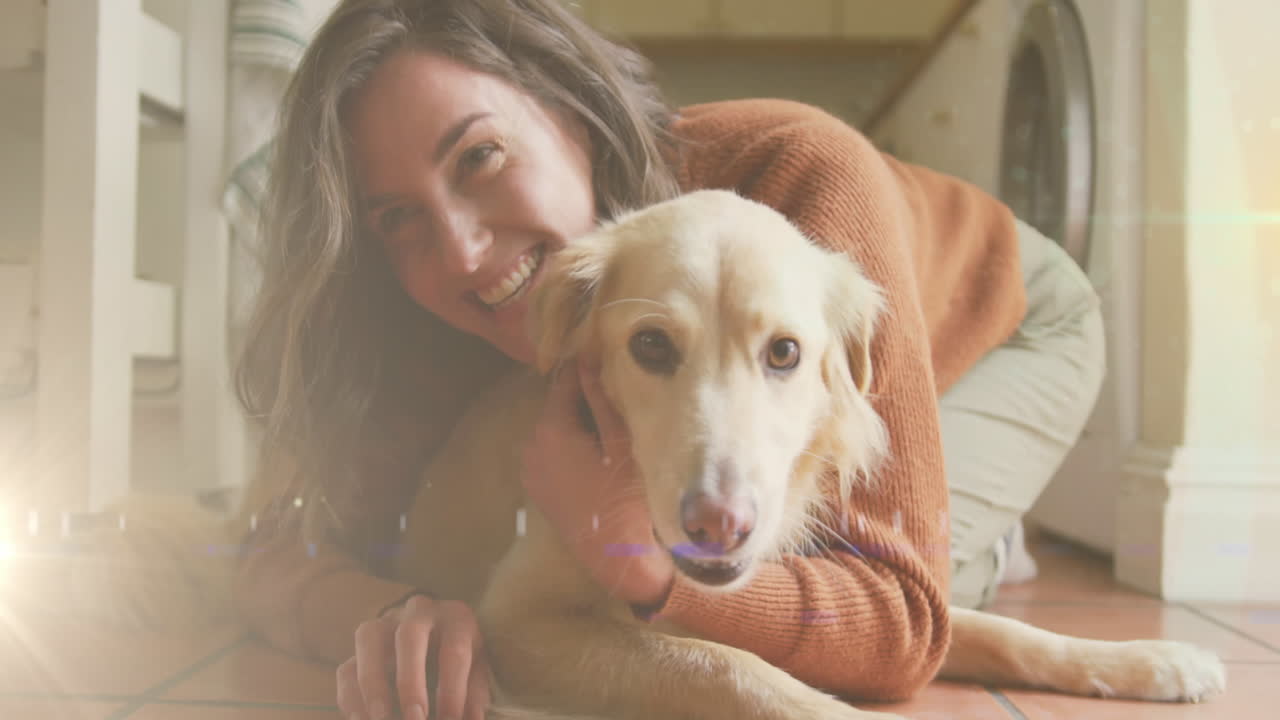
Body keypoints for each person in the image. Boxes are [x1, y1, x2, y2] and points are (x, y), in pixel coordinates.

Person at [229, 1, 1105, 719]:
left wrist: (640, 570)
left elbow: (900, 628)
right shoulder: (450, 311)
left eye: (481, 157)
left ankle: (972, 530)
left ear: (568, 107)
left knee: (859, 558)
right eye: (397, 217)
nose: (461, 252)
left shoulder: (804, 182)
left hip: (1019, 326)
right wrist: (387, 613)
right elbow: (266, 550)